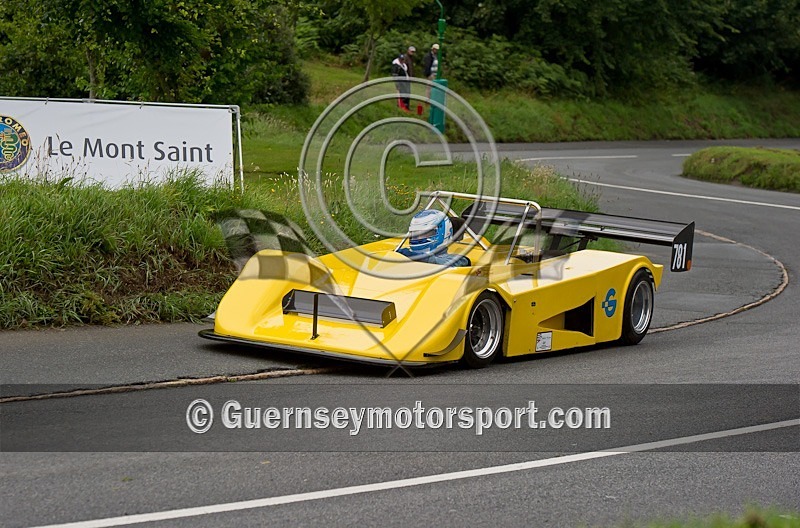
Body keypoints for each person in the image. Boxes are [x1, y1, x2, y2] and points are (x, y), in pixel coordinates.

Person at [397, 210, 471, 267]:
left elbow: (436, 261)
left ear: (443, 234)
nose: (418, 238)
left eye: (425, 234)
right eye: (415, 234)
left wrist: (407, 254)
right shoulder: (407, 254)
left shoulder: (458, 259)